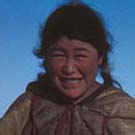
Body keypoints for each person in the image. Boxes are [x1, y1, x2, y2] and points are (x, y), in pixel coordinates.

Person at [0, 1, 135, 135]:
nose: (69, 68)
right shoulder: (29, 106)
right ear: (45, 58)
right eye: (59, 55)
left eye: (80, 56)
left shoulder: (120, 111)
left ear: (100, 57)